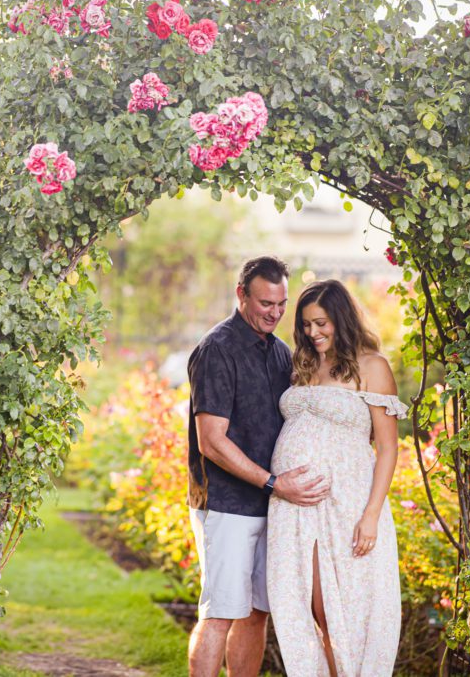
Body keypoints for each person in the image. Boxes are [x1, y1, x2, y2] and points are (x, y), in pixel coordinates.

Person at [187, 256, 331, 677]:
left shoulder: (281, 352)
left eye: (282, 304)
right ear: (241, 295)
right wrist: (273, 483)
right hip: (227, 504)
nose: (275, 312)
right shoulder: (217, 349)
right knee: (219, 613)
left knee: (256, 613)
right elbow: (212, 442)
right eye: (266, 302)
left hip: (274, 505)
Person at [267, 279, 404, 676]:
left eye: (321, 323)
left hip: (348, 504)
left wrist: (371, 515)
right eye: (307, 325)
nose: (313, 333)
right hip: (293, 507)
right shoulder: (306, 364)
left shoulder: (372, 366)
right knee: (304, 606)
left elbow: (389, 447)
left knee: (338, 609)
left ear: (341, 319)